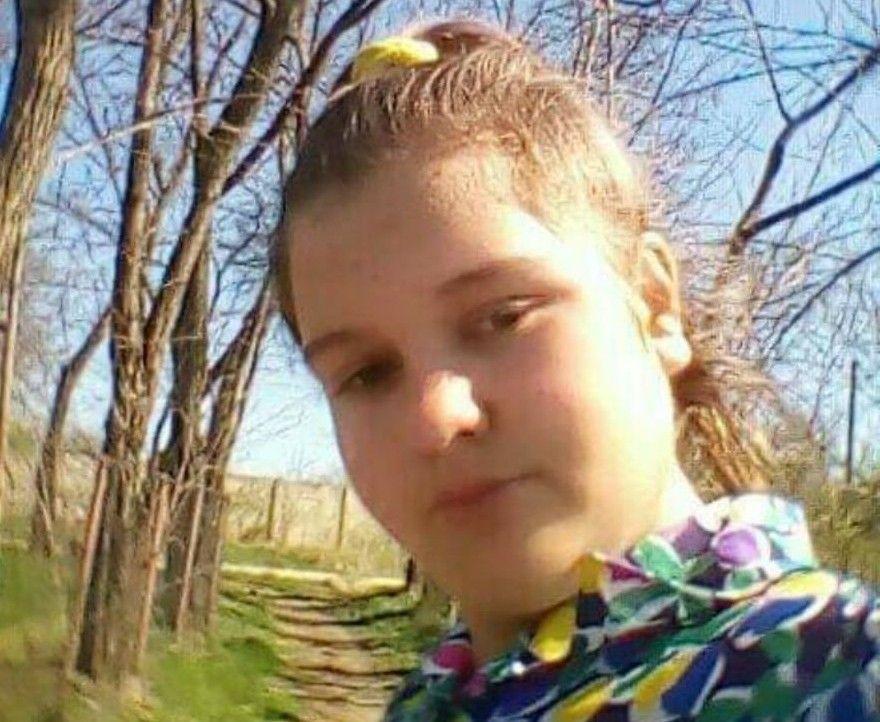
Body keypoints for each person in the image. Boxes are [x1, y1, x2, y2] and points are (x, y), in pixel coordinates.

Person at [270, 19, 880, 722]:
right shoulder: (427, 702)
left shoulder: (838, 669)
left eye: (502, 317)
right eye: (367, 373)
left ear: (655, 304)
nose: (435, 417)